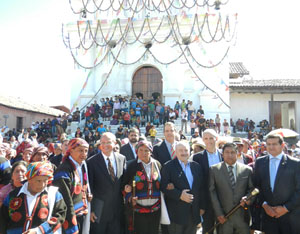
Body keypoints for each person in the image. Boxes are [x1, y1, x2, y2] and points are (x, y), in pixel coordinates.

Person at [0, 161, 67, 234]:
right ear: (29, 179)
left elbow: (60, 216)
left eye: (45, 180)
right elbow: (3, 219)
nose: (42, 184)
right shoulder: (13, 195)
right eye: (38, 181)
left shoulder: (54, 194)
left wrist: (38, 231)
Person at [253, 134, 300, 234]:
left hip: (290, 217)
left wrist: (285, 208)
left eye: (274, 144)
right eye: (268, 144)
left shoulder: (295, 164)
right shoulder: (260, 162)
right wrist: (265, 205)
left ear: (282, 145)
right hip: (269, 216)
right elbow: (257, 187)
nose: (271, 147)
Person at [161, 141, 205, 234]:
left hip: (193, 212)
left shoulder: (196, 166)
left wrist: (202, 207)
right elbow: (163, 186)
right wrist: (179, 195)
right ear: (175, 152)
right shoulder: (168, 166)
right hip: (176, 213)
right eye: (181, 150)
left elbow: (201, 188)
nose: (184, 153)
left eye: (186, 150)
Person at [209, 143, 254, 234]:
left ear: (237, 153)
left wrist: (249, 199)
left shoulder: (247, 170)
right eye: (227, 152)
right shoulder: (214, 170)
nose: (230, 155)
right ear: (222, 154)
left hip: (242, 219)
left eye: (233, 152)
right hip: (224, 218)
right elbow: (212, 193)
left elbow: (252, 190)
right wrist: (219, 214)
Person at [87, 132, 126, 234]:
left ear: (114, 143)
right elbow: (89, 187)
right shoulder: (91, 162)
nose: (104, 145)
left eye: (108, 142)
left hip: (117, 210)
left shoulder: (122, 159)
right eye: (102, 142)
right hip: (99, 211)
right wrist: (90, 210)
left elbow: (124, 182)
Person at [53, 138, 92, 234]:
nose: (84, 154)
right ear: (71, 150)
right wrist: (71, 222)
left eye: (86, 151)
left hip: (81, 213)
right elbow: (66, 199)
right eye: (80, 150)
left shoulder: (82, 165)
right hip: (69, 216)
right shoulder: (64, 170)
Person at [123, 140, 162, 234]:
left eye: (146, 150)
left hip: (155, 208)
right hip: (138, 209)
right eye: (141, 150)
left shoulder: (157, 164)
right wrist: (129, 197)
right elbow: (124, 186)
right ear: (136, 151)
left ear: (150, 152)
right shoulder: (130, 165)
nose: (144, 153)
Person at [193, 129, 223, 234]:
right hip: (206, 202)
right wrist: (200, 205)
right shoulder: (197, 158)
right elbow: (197, 184)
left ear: (216, 139)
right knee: (207, 229)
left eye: (211, 138)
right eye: (206, 138)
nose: (209, 141)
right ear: (203, 140)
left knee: (223, 229)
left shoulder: (224, 155)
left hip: (223, 201)